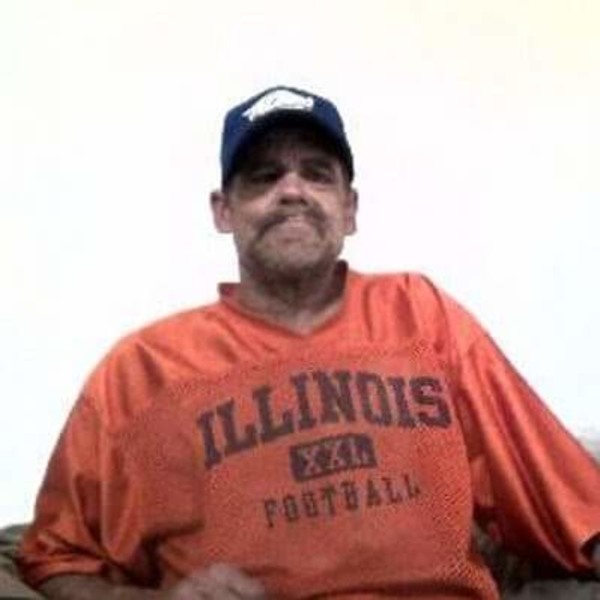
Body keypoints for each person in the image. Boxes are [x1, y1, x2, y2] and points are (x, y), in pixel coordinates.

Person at [18, 85, 600, 599]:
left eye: (317, 174)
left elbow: (564, 496)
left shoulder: (423, 316)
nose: (292, 190)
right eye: (264, 176)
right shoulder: (140, 372)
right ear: (223, 211)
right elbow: (56, 560)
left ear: (350, 210)